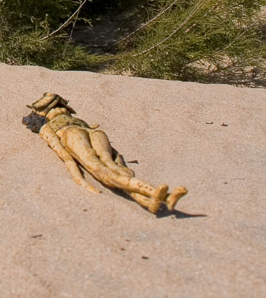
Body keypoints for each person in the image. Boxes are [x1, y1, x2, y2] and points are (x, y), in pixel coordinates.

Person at [23, 91, 187, 214]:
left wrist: (78, 176)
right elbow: (64, 155)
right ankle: (157, 195)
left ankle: (151, 200)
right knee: (102, 167)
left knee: (112, 164)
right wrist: (81, 180)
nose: (57, 107)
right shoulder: (46, 127)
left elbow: (64, 154)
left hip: (84, 131)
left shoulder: (50, 124)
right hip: (73, 133)